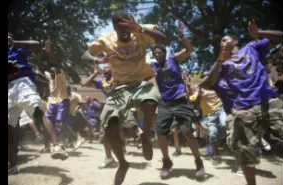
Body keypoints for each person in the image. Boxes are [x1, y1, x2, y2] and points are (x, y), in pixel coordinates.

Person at [82, 11, 167, 185]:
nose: (127, 32)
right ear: (115, 29)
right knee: (110, 127)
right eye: (122, 30)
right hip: (119, 87)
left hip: (140, 83)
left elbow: (163, 40)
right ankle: (122, 163)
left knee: (150, 102)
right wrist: (96, 61)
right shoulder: (106, 39)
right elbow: (85, 54)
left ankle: (145, 137)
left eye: (129, 27)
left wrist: (140, 28)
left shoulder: (141, 32)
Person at [198, 20, 283, 185]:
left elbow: (281, 37)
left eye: (225, 39)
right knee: (245, 152)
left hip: (267, 101)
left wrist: (258, 33)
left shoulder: (252, 47)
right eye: (220, 42)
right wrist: (219, 59)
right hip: (242, 110)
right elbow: (208, 82)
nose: (222, 43)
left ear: (235, 41)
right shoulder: (221, 64)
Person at [150, 20, 205, 178]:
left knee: (187, 132)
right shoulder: (153, 66)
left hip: (180, 101)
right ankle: (167, 161)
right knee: (160, 133)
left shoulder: (173, 59)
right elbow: (139, 68)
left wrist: (181, 35)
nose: (157, 54)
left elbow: (189, 49)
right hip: (165, 104)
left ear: (164, 53)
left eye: (159, 52)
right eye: (155, 53)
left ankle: (198, 161)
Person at [8, 33, 68, 174]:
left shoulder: (18, 48)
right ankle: (12, 164)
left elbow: (35, 43)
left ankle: (57, 145)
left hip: (22, 83)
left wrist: (14, 41)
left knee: (37, 111)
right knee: (9, 128)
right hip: (8, 89)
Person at [81, 64, 116, 169]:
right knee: (104, 134)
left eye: (108, 67)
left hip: (119, 107)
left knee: (118, 133)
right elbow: (85, 84)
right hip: (107, 109)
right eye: (104, 68)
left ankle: (117, 156)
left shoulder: (118, 78)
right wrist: (95, 73)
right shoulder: (101, 81)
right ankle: (109, 158)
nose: (105, 69)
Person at [189, 72, 226, 164]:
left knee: (224, 123)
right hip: (210, 115)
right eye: (205, 77)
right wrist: (190, 93)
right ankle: (216, 154)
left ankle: (224, 143)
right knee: (212, 135)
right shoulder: (199, 89)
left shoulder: (216, 86)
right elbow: (192, 98)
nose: (207, 78)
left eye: (208, 76)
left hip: (221, 109)